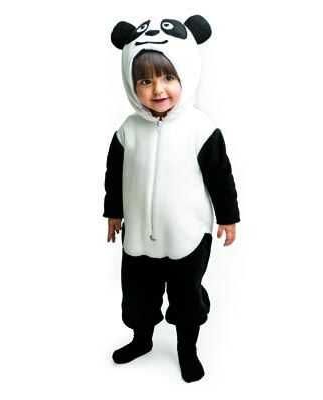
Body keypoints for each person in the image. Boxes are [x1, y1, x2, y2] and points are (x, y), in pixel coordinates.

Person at [104, 15, 240, 383]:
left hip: (187, 237)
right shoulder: (127, 131)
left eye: (167, 77)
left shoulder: (201, 129)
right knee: (137, 295)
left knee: (186, 298)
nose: (157, 89)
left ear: (186, 74)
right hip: (138, 239)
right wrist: (113, 213)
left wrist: (228, 217)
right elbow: (114, 176)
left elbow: (220, 176)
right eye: (145, 80)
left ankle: (187, 348)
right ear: (131, 84)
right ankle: (142, 339)